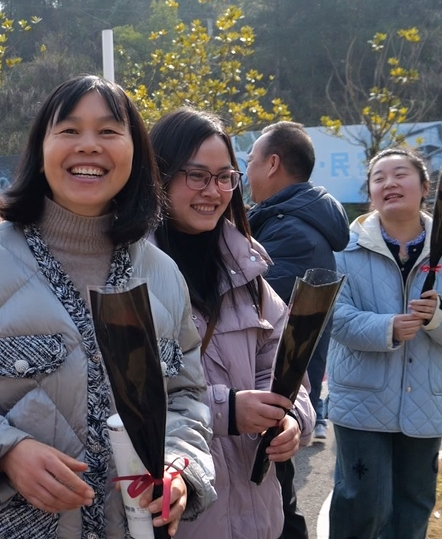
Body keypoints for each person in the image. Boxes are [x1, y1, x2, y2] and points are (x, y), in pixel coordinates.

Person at [0, 76, 216, 539]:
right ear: (40, 149)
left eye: (108, 131)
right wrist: (4, 451)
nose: (88, 146)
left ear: (136, 153)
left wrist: (178, 467)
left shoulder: (163, 276)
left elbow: (187, 396)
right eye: (68, 130)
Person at [148, 107, 314, 539]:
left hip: (259, 510)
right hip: (181, 512)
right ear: (158, 176)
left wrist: (292, 418)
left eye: (225, 177)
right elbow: (117, 394)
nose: (214, 191)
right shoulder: (126, 274)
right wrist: (226, 410)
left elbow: (287, 372)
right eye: (197, 176)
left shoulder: (248, 270)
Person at [327, 147, 442, 539]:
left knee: (414, 505)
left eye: (400, 175)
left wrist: (435, 320)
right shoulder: (344, 249)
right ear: (370, 193)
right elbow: (334, 317)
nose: (389, 183)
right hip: (362, 399)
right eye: (379, 178)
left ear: (425, 186)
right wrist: (388, 327)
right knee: (364, 501)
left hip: (425, 400)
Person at [245, 121, 348, 539]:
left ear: (272, 164)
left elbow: (256, 322)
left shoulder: (292, 234)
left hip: (271, 395)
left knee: (276, 510)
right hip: (268, 398)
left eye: (249, 160)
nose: (245, 171)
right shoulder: (285, 221)